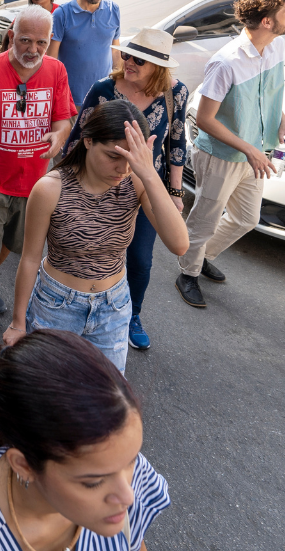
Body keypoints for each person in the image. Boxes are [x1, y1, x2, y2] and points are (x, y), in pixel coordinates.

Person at [0, 331, 171, 551]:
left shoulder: (115, 464)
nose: (128, 495)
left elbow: (133, 546)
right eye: (93, 482)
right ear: (23, 465)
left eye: (132, 460)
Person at [3, 101, 188, 371]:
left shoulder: (136, 181)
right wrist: (17, 323)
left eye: (131, 158)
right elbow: (30, 259)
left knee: (104, 406)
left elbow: (180, 244)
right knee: (52, 400)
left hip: (113, 308)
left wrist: (149, 174)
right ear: (88, 141)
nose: (123, 168)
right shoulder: (50, 189)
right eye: (114, 156)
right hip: (57, 307)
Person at [58, 27, 189, 352]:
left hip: (146, 188)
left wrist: (174, 192)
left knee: (141, 260)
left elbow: (176, 142)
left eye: (138, 60)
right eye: (127, 54)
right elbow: (78, 137)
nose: (128, 62)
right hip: (99, 185)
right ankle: (76, 308)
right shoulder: (104, 88)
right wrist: (64, 182)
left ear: (158, 67)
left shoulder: (176, 94)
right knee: (94, 250)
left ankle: (133, 315)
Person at [174, 0, 285, 308]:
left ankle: (199, 257)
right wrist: (248, 149)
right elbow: (205, 119)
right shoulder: (226, 62)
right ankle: (187, 272)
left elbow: (267, 95)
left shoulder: (276, 47)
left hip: (255, 153)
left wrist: (283, 121)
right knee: (206, 217)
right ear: (267, 21)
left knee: (247, 218)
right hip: (221, 155)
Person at [0, 4, 76, 342]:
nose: (33, 50)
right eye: (26, 41)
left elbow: (63, 119)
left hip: (36, 187)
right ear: (11, 35)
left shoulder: (56, 71)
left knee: (12, 246)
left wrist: (58, 135)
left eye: (42, 43)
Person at [48, 0, 121, 110]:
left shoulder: (113, 10)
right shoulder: (62, 14)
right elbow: (51, 58)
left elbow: (115, 52)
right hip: (70, 99)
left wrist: (118, 88)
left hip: (104, 98)